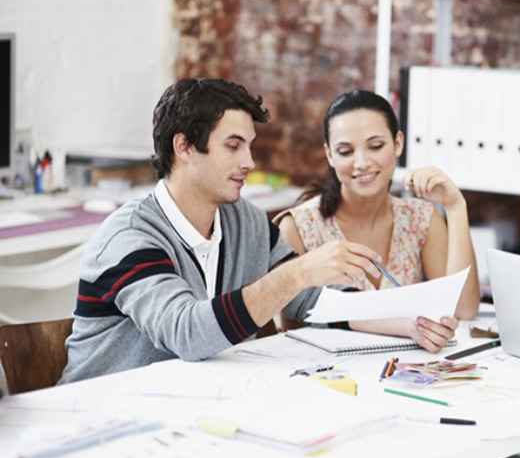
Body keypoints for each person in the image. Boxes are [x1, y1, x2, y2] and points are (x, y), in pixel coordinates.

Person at [60, 78, 391, 384]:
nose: (249, 161)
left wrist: (405, 321)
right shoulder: (130, 237)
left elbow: (311, 300)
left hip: (195, 411)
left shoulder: (245, 220)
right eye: (233, 146)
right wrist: (298, 273)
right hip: (97, 418)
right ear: (184, 147)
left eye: (249, 146)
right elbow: (188, 334)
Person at [277, 89, 480, 351]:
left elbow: (463, 309)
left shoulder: (420, 219)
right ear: (329, 155)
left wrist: (456, 207)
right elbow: (291, 334)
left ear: (397, 144)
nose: (361, 162)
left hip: (407, 372)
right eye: (345, 151)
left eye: (375, 146)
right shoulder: (298, 227)